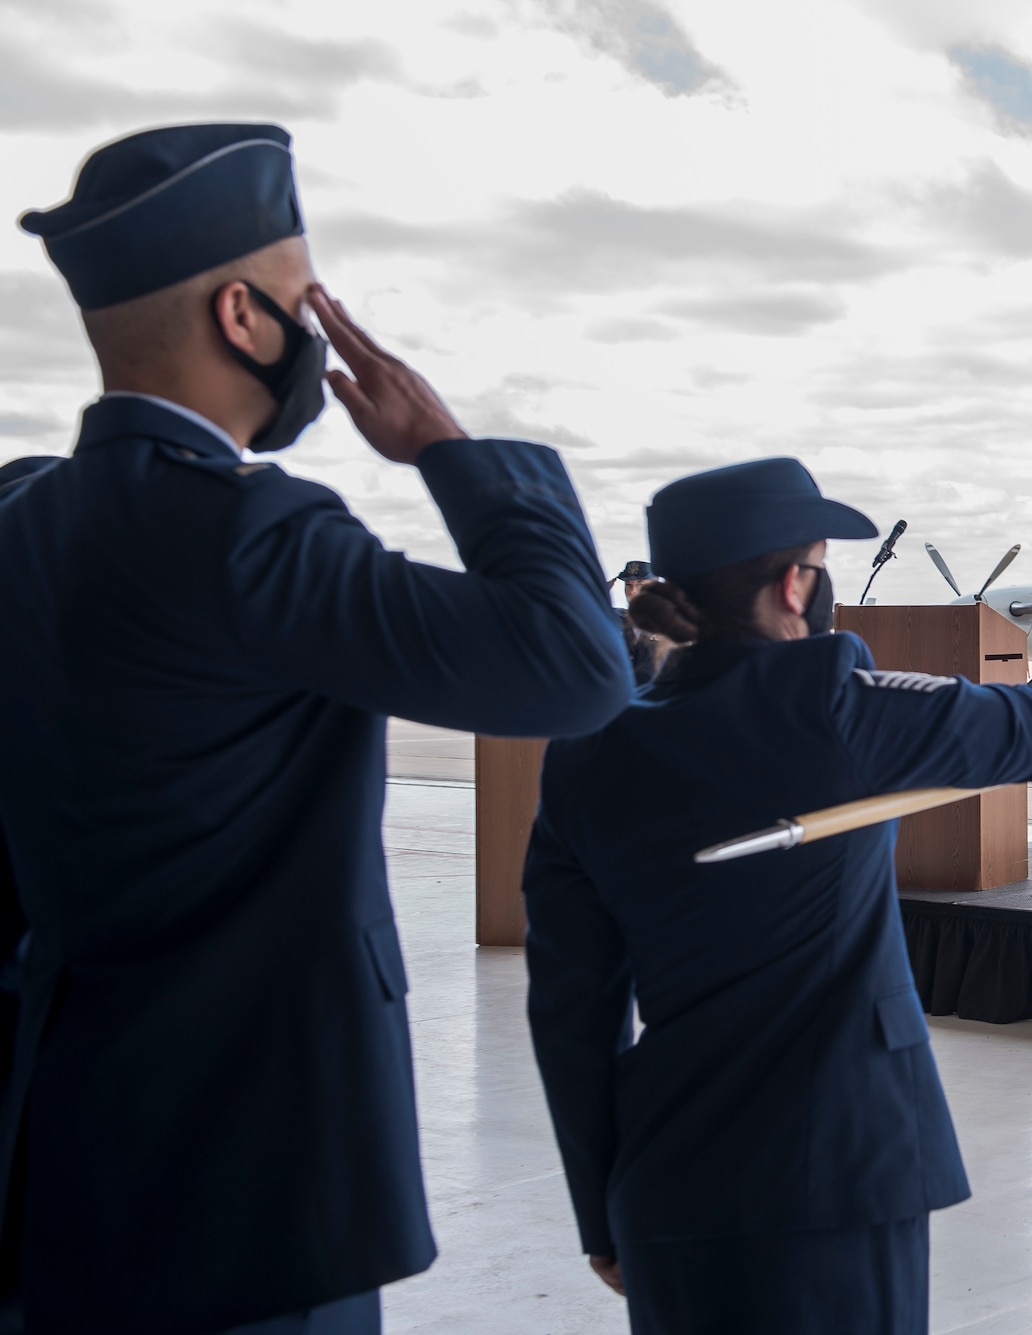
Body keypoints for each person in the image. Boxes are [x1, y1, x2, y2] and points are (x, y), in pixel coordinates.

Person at [0, 123, 632, 1333]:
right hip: (252, 1184)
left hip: (73, 1150)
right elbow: (571, 670)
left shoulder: (27, 521)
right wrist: (450, 451)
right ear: (244, 316)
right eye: (308, 302)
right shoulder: (246, 533)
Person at [522, 458, 1032, 1334]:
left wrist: (600, 1206)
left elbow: (570, 1010)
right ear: (796, 586)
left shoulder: (587, 755)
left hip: (668, 1175)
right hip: (840, 1169)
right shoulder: (837, 709)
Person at [611, 558, 670, 683]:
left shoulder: (670, 622)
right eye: (628, 585)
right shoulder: (614, 618)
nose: (632, 591)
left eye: (640, 584)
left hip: (659, 696)